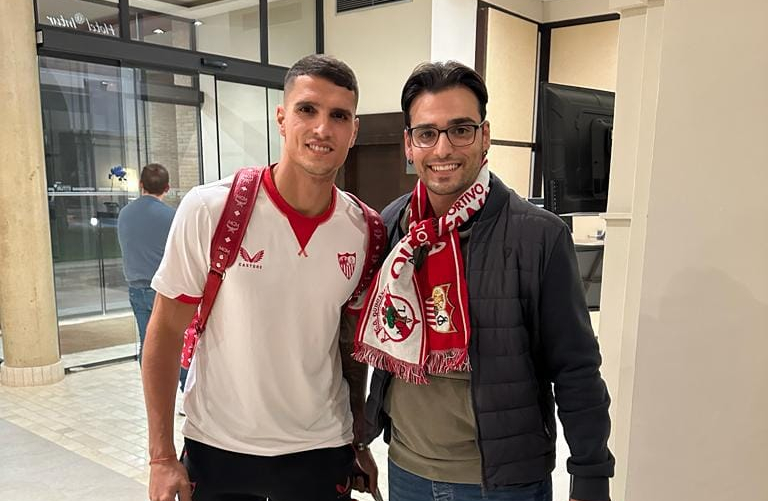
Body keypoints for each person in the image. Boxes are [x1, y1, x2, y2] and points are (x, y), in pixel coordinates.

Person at [354, 61, 615, 501]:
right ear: (409, 144)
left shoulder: (538, 235)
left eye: (461, 129)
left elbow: (576, 366)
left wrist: (590, 474)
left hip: (500, 482)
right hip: (406, 467)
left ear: (485, 136)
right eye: (427, 133)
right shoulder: (394, 224)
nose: (443, 149)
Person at [142, 54, 378, 501]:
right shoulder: (211, 209)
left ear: (354, 130)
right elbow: (166, 330)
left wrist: (358, 440)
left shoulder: (365, 229)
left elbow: (349, 346)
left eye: (338, 116)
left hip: (321, 449)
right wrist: (161, 456)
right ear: (282, 118)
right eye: (307, 109)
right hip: (219, 448)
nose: (322, 128)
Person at [117, 163, 175, 364]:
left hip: (135, 288)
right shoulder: (172, 217)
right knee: (177, 343)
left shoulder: (124, 213)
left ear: (141, 184)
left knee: (147, 343)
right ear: (167, 188)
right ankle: (186, 391)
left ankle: (152, 391)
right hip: (163, 291)